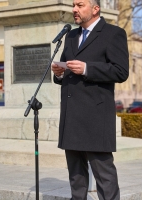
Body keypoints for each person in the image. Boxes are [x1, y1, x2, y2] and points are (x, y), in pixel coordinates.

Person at [51, 0, 129, 199]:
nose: (74, 9)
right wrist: (60, 73)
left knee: (104, 177)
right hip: (71, 118)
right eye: (73, 5)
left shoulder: (113, 34)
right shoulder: (71, 35)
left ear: (95, 9)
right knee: (76, 178)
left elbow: (121, 71)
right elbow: (67, 72)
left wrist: (87, 68)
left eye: (80, 5)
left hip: (96, 118)